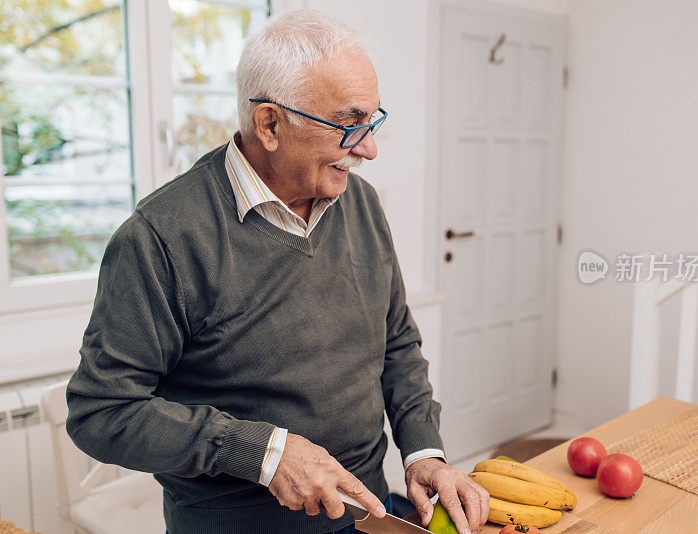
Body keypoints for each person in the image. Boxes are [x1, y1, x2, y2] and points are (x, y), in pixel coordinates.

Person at [65, 9, 489, 534]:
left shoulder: (360, 203)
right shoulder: (162, 236)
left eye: (373, 121)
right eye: (348, 125)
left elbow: (396, 339)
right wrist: (263, 453)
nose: (370, 149)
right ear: (270, 124)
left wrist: (423, 453)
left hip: (368, 510)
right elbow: (101, 411)